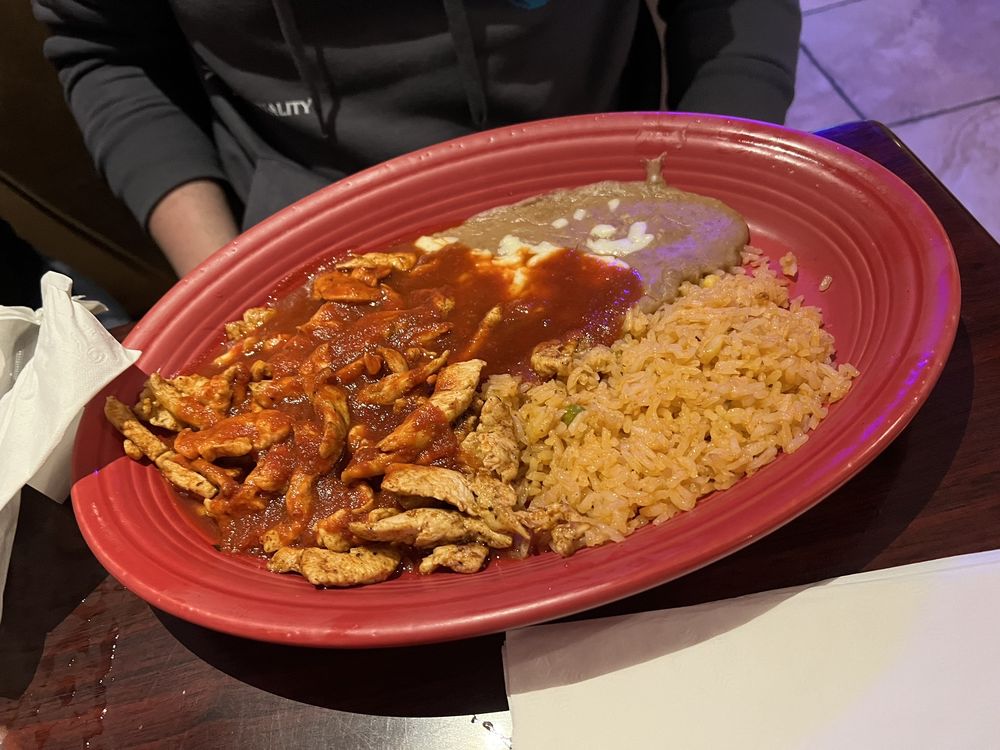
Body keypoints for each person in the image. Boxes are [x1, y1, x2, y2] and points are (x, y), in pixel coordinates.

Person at [32, 1, 801, 278]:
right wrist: (223, 277)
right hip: (308, 237)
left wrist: (709, 203)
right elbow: (108, 48)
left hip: (620, 197)